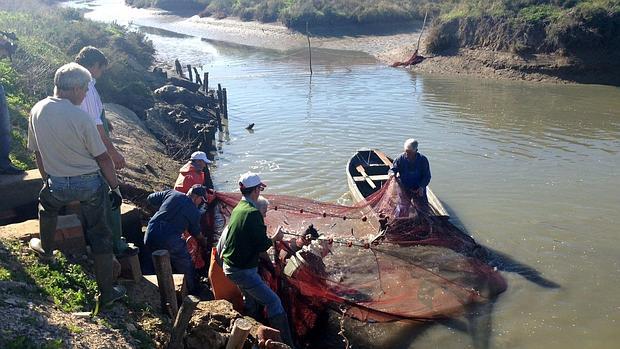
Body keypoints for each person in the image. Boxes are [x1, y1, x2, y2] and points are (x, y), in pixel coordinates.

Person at [27, 62, 125, 306]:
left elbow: (37, 152)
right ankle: (107, 292)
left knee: (46, 207)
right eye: (84, 89)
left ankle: (47, 251)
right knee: (100, 233)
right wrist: (114, 188)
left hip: (57, 182)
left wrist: (46, 179)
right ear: (74, 88)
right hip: (90, 185)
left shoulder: (37, 110)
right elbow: (103, 158)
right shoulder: (81, 118)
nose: (84, 94)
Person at [219, 172, 295, 348]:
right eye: (260, 189)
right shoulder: (253, 213)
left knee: (252, 301)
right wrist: (275, 238)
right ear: (255, 191)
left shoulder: (239, 207)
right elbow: (262, 246)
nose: (260, 192)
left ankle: (252, 326)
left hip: (231, 266)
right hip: (241, 270)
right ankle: (286, 343)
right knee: (274, 301)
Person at [75, 46, 134, 257]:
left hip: (84, 149)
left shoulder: (72, 83)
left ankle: (107, 242)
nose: (102, 73)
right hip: (95, 151)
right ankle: (115, 244)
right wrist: (113, 152)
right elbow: (96, 126)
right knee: (112, 194)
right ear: (93, 65)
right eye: (101, 68)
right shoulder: (87, 86)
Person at [142, 184, 208, 294]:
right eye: (201, 200)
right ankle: (192, 290)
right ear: (196, 197)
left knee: (151, 260)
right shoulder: (194, 212)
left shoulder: (171, 193)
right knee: (186, 263)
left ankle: (150, 289)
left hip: (151, 231)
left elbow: (150, 198)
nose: (200, 203)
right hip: (170, 239)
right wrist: (204, 242)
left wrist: (165, 210)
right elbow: (197, 234)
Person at [389, 138, 432, 217]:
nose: (407, 154)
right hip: (404, 187)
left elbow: (427, 176)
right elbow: (392, 170)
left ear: (416, 150)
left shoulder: (423, 160)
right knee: (403, 208)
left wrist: (422, 187)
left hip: (419, 188)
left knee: (423, 209)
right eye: (406, 151)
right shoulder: (400, 159)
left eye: (410, 152)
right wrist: (392, 174)